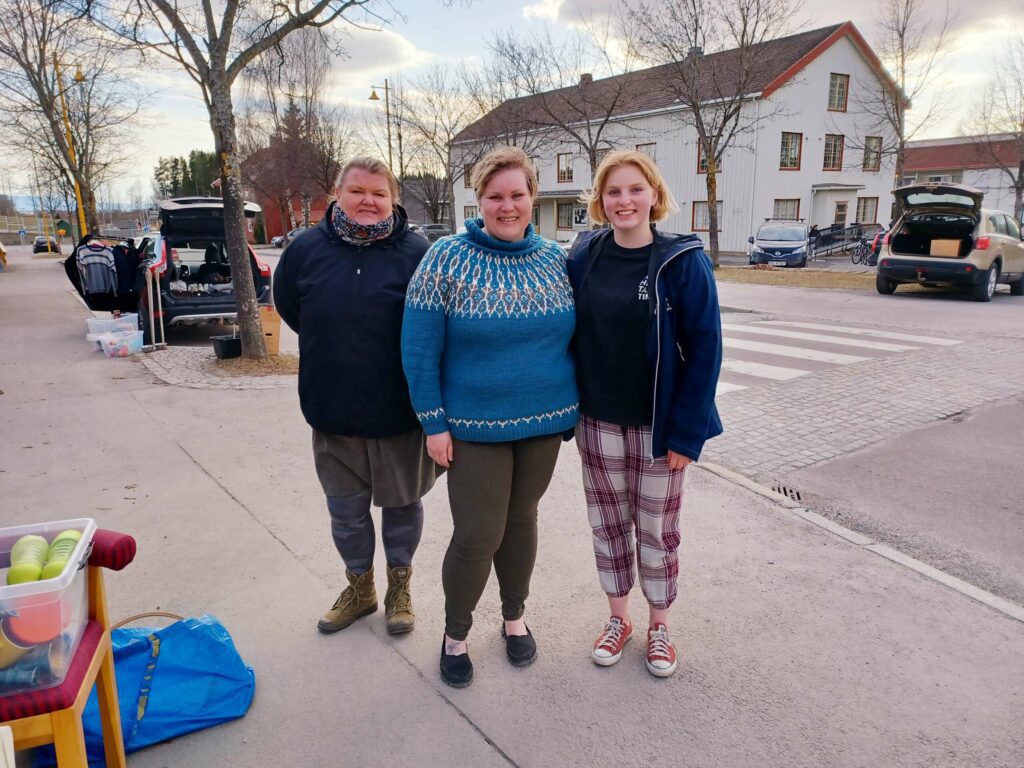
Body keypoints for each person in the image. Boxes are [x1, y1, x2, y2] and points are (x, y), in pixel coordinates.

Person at [402, 146, 578, 688]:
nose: (507, 206)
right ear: (478, 201)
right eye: (495, 196)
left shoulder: (554, 258)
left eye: (517, 195)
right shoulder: (446, 258)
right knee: (479, 533)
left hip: (544, 423)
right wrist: (433, 422)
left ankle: (514, 618)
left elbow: (578, 337)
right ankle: (456, 633)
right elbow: (418, 346)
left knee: (522, 521)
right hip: (473, 427)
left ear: (533, 197)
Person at [566, 150, 723, 678]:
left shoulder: (682, 261)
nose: (624, 200)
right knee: (608, 526)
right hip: (597, 421)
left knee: (656, 529)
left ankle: (659, 626)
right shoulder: (584, 253)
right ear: (600, 200)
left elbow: (706, 349)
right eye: (613, 192)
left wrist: (687, 434)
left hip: (660, 428)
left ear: (654, 194)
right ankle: (618, 619)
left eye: (635, 189)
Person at [274, 157, 438, 637]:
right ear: (336, 194)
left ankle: (399, 589)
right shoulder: (304, 250)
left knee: (403, 508)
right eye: (358, 191)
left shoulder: (417, 252)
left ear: (393, 199)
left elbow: (431, 325)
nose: (369, 201)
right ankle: (361, 589)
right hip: (333, 412)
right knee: (345, 514)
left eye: (379, 193)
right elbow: (291, 308)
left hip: (399, 415)